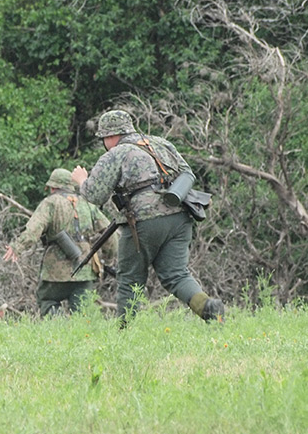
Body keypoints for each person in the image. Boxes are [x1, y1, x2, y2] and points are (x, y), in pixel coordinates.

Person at [71, 109, 223, 324]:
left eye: (104, 138)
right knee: (177, 274)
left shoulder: (117, 153)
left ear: (111, 136)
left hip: (144, 221)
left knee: (130, 278)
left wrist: (81, 180)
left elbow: (93, 195)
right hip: (180, 216)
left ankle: (125, 332)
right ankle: (209, 308)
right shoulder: (161, 144)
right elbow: (187, 173)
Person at [4, 168, 116, 316]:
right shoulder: (88, 204)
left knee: (47, 301)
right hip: (84, 269)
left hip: (55, 272)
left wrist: (16, 247)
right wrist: (108, 260)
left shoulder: (50, 203)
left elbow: (33, 230)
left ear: (52, 187)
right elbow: (110, 235)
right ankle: (79, 337)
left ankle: (56, 330)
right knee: (82, 315)